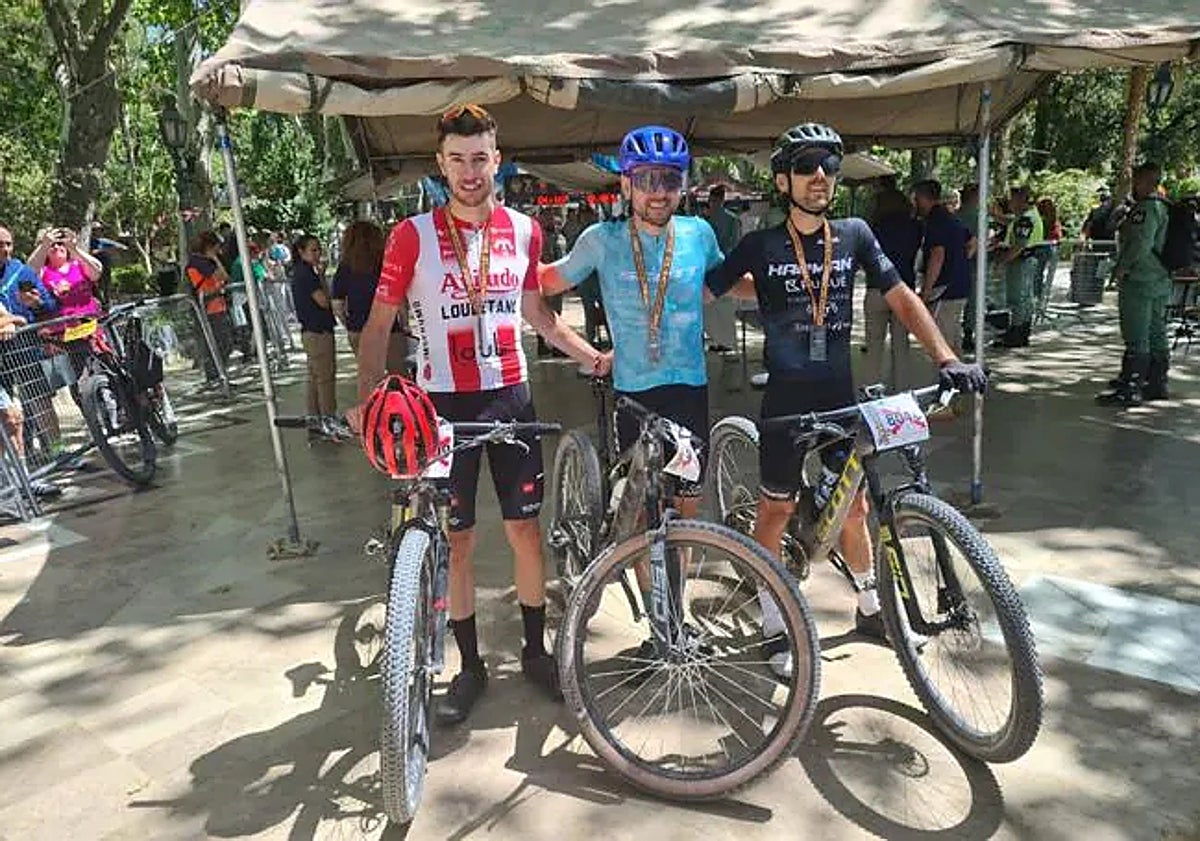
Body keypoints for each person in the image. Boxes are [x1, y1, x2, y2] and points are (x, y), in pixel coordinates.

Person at [349, 104, 608, 725]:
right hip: (439, 407)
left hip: (510, 396)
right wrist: (366, 398)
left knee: (524, 530)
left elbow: (538, 316)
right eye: (457, 160)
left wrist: (591, 356)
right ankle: (468, 667)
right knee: (457, 540)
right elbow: (378, 325)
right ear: (440, 164)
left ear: (498, 158)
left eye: (480, 158)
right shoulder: (409, 235)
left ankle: (536, 652)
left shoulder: (524, 229)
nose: (470, 172)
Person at [704, 122, 987, 677]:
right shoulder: (759, 244)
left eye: (829, 167)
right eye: (807, 166)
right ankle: (771, 615)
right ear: (783, 179)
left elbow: (900, 295)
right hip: (785, 401)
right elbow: (705, 287)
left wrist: (946, 358)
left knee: (854, 507)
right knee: (777, 510)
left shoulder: (855, 233)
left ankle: (869, 604)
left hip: (839, 394)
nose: (820, 177)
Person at [539, 123, 723, 580]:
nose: (657, 193)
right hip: (633, 393)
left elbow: (724, 284)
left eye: (669, 180)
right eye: (645, 180)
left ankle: (674, 610)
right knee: (639, 513)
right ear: (626, 183)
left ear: (683, 184)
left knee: (685, 507)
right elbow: (545, 283)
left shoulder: (700, 233)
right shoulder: (601, 239)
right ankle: (657, 619)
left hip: (688, 388)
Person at [1096, 163, 1172, 406]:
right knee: (1156, 330)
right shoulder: (1165, 207)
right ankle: (1156, 382)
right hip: (1160, 278)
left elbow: (1141, 243)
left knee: (1136, 333)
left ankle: (1130, 387)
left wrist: (1122, 268)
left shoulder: (1146, 209)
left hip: (1140, 279)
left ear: (1142, 182)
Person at [331, 220, 409, 376]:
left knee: (369, 378)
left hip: (358, 328)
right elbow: (399, 299)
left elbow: (337, 304)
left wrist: (348, 323)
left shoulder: (345, 267)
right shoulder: (386, 263)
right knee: (398, 377)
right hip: (388, 328)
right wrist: (405, 323)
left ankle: (374, 401)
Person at [865, 186, 922, 389]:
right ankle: (902, 392)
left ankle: (870, 393)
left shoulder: (871, 228)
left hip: (876, 287)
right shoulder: (915, 227)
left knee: (873, 347)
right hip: (903, 288)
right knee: (901, 345)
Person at [913, 179, 975, 355]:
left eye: (916, 198)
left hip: (945, 290)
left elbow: (937, 255)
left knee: (941, 344)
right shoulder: (951, 218)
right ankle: (962, 378)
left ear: (924, 198)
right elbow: (972, 242)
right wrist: (960, 261)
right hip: (960, 285)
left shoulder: (936, 220)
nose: (915, 203)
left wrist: (926, 291)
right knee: (954, 340)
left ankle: (947, 380)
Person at [290, 234, 338, 420]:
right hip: (318, 331)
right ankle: (328, 417)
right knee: (325, 377)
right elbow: (324, 301)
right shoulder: (306, 274)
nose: (318, 254)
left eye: (319, 249)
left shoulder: (303, 272)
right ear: (301, 252)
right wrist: (322, 279)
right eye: (313, 250)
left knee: (315, 376)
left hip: (311, 330)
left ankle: (315, 416)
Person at [993, 186, 1044, 348]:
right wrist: (995, 215)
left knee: (1017, 298)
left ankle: (1016, 332)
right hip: (1028, 260)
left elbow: (1019, 246)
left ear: (1021, 199)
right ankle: (1022, 330)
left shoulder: (1026, 219)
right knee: (1025, 297)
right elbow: (1010, 221)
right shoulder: (1027, 216)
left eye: (1012, 199)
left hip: (1021, 261)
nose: (1010, 203)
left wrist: (1002, 260)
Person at [185, 231, 234, 383]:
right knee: (217, 344)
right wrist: (214, 259)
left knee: (225, 343)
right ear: (210, 246)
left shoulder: (208, 261)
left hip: (218, 306)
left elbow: (224, 278)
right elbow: (222, 277)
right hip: (208, 309)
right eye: (217, 246)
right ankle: (214, 377)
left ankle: (220, 375)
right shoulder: (198, 263)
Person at [702, 184, 740, 352]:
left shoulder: (706, 220)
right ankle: (725, 341)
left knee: (711, 306)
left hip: (710, 266)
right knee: (724, 308)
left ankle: (720, 340)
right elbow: (735, 243)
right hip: (726, 265)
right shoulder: (732, 219)